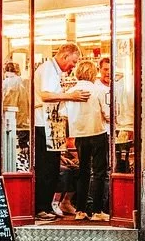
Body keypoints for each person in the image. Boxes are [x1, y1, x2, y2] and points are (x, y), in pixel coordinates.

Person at [34, 43, 88, 220]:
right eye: (73, 61)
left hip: (51, 125)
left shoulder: (55, 71)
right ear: (65, 56)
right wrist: (70, 96)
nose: (73, 66)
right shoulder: (48, 69)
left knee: (52, 168)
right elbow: (45, 95)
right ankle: (41, 208)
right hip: (43, 124)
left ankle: (46, 206)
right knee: (46, 168)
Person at [68, 59, 112, 221]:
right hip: (97, 132)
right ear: (93, 73)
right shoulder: (98, 90)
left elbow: (65, 114)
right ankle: (97, 211)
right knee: (99, 172)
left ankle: (80, 210)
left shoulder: (71, 90)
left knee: (83, 171)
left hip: (80, 135)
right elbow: (107, 113)